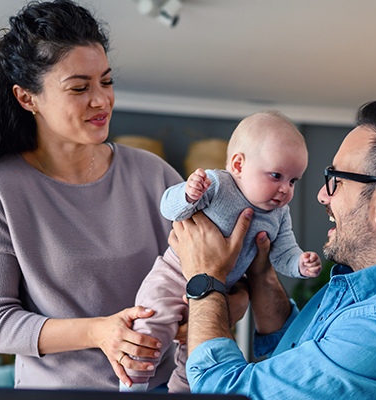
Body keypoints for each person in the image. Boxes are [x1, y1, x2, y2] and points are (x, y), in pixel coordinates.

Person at [0, 0, 185, 390]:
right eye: (79, 88)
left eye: (106, 81)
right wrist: (98, 333)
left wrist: (202, 313)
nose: (101, 99)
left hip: (157, 389)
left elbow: (219, 282)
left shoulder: (155, 175)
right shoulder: (0, 191)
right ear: (27, 98)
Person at [170, 99, 376, 399]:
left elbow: (222, 391)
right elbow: (299, 361)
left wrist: (205, 278)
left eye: (336, 181)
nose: (321, 196)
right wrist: (261, 273)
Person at [124, 111, 322, 392]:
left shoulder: (279, 215)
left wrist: (299, 263)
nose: (284, 190)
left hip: (221, 293)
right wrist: (188, 195)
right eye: (276, 175)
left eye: (293, 181)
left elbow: (283, 252)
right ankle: (132, 386)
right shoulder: (217, 184)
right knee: (149, 325)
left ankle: (180, 392)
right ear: (238, 164)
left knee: (196, 356)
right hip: (173, 274)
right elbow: (168, 207)